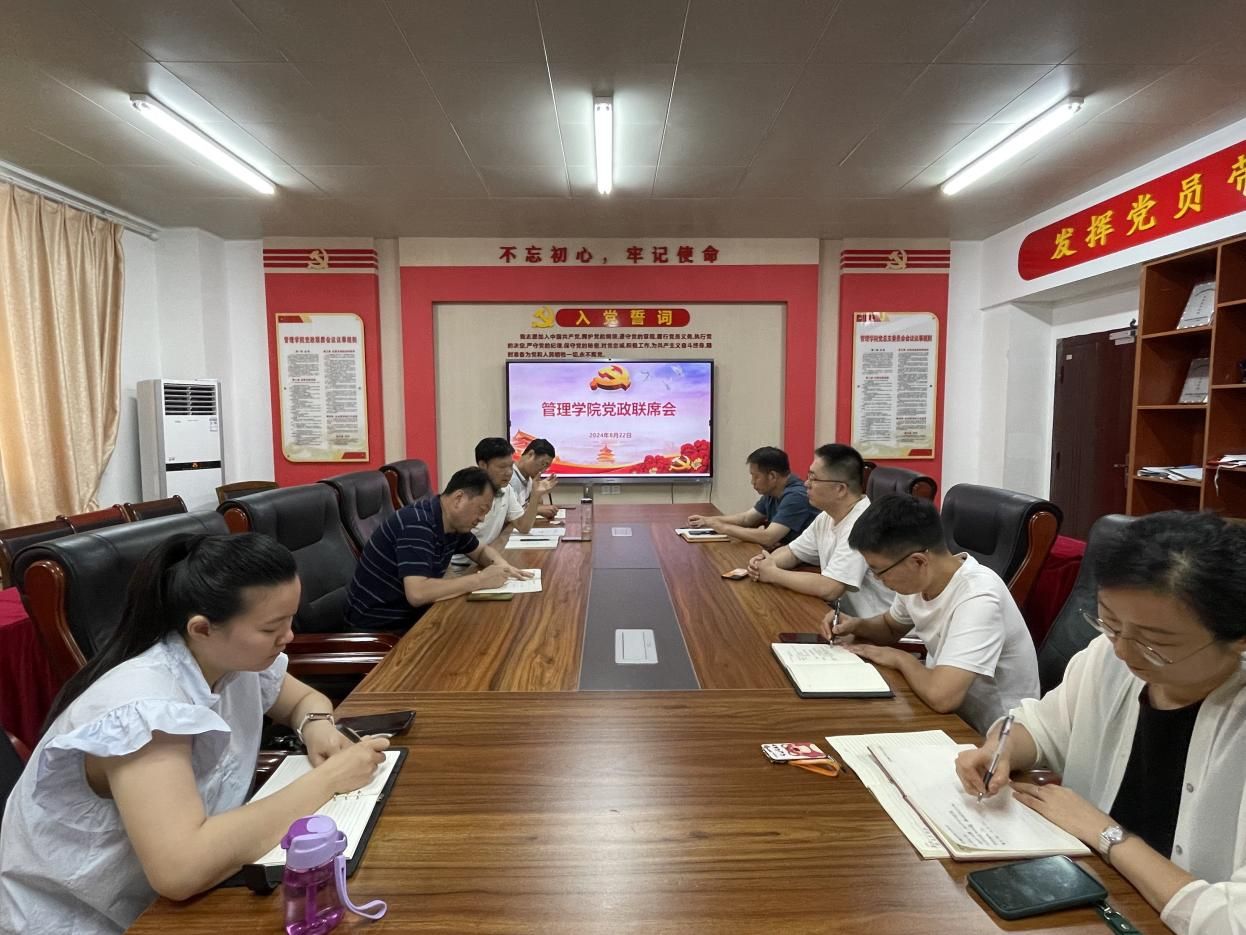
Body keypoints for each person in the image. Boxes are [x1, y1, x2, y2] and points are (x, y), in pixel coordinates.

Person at [0, 533, 390, 935]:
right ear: (202, 628)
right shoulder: (146, 709)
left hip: (185, 894)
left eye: (290, 619)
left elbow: (303, 700)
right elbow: (180, 869)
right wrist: (328, 780)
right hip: (85, 920)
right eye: (272, 627)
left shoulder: (231, 659)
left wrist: (316, 727)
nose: (288, 636)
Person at [955, 511, 1246, 935]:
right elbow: (1041, 726)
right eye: (1109, 623)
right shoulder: (1107, 658)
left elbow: (1232, 921)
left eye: (1155, 642)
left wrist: (1106, 834)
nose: (1123, 652)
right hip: (1092, 901)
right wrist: (1000, 749)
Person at [824, 494, 1039, 732]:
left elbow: (942, 697)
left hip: (994, 733)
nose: (877, 579)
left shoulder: (978, 597)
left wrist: (900, 658)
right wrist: (856, 625)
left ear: (918, 561)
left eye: (878, 571)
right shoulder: (919, 581)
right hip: (944, 710)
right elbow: (890, 627)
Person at [346, 466, 529, 632]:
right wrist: (481, 580)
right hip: (381, 628)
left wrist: (502, 566)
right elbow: (417, 593)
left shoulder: (451, 523)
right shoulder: (417, 524)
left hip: (413, 616)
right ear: (459, 498)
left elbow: (480, 551)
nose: (481, 519)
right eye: (481, 510)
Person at [747, 443, 893, 616]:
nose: (806, 484)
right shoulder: (827, 516)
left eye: (813, 479)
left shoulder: (864, 523)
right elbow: (793, 552)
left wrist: (772, 573)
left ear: (840, 489)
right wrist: (765, 562)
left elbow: (830, 588)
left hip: (873, 626)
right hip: (841, 618)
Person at [687, 446, 815, 548]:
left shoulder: (796, 496)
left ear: (772, 476)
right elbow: (747, 519)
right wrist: (708, 520)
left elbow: (768, 537)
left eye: (756, 476)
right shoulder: (773, 491)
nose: (752, 482)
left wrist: (724, 527)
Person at [454, 437, 556, 563]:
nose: (509, 472)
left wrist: (535, 495)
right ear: (483, 465)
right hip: (462, 565)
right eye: (502, 467)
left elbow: (523, 527)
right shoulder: (467, 493)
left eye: (511, 466)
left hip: (488, 557)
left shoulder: (506, 490)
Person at [508, 438, 559, 520]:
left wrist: (538, 492)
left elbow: (539, 503)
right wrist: (537, 510)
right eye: (543, 464)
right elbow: (508, 514)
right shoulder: (509, 478)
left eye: (547, 467)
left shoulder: (529, 477)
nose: (543, 470)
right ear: (530, 454)